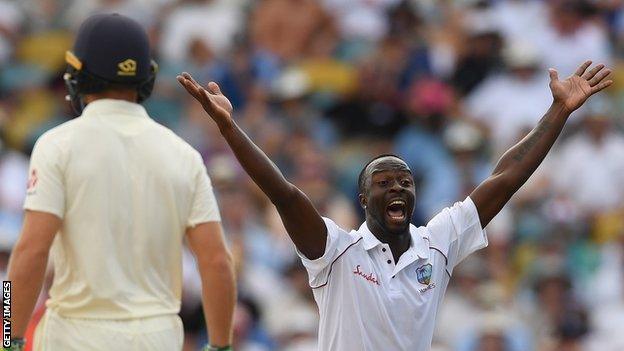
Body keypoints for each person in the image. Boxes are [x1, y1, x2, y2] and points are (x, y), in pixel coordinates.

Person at [177, 58, 611, 350]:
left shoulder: (437, 242)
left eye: (404, 181)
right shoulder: (335, 251)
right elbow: (285, 193)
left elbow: (505, 177)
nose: (397, 188)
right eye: (384, 183)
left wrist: (558, 112)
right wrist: (231, 129)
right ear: (364, 198)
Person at [5, 14, 236, 351]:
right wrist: (220, 346)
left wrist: (10, 336)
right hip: (157, 337)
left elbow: (30, 251)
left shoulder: (57, 146)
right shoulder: (183, 154)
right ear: (147, 78)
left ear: (79, 76)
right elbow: (218, 261)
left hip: (76, 336)